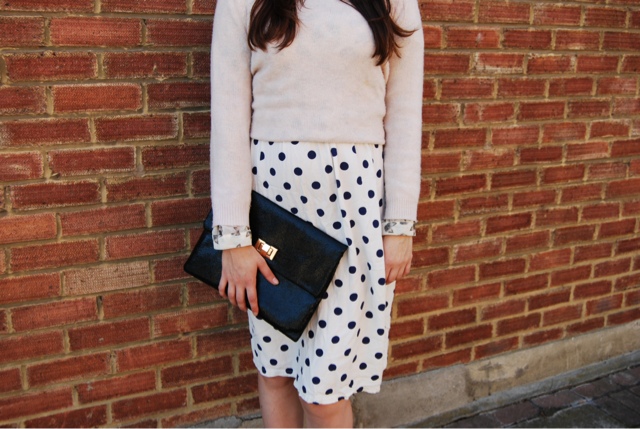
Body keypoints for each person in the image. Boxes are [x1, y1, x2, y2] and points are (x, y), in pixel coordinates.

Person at [209, 0, 424, 426]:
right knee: (275, 372)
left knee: (325, 395)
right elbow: (228, 117)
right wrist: (233, 236)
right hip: (272, 217)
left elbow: (404, 113)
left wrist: (400, 225)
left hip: (355, 220)